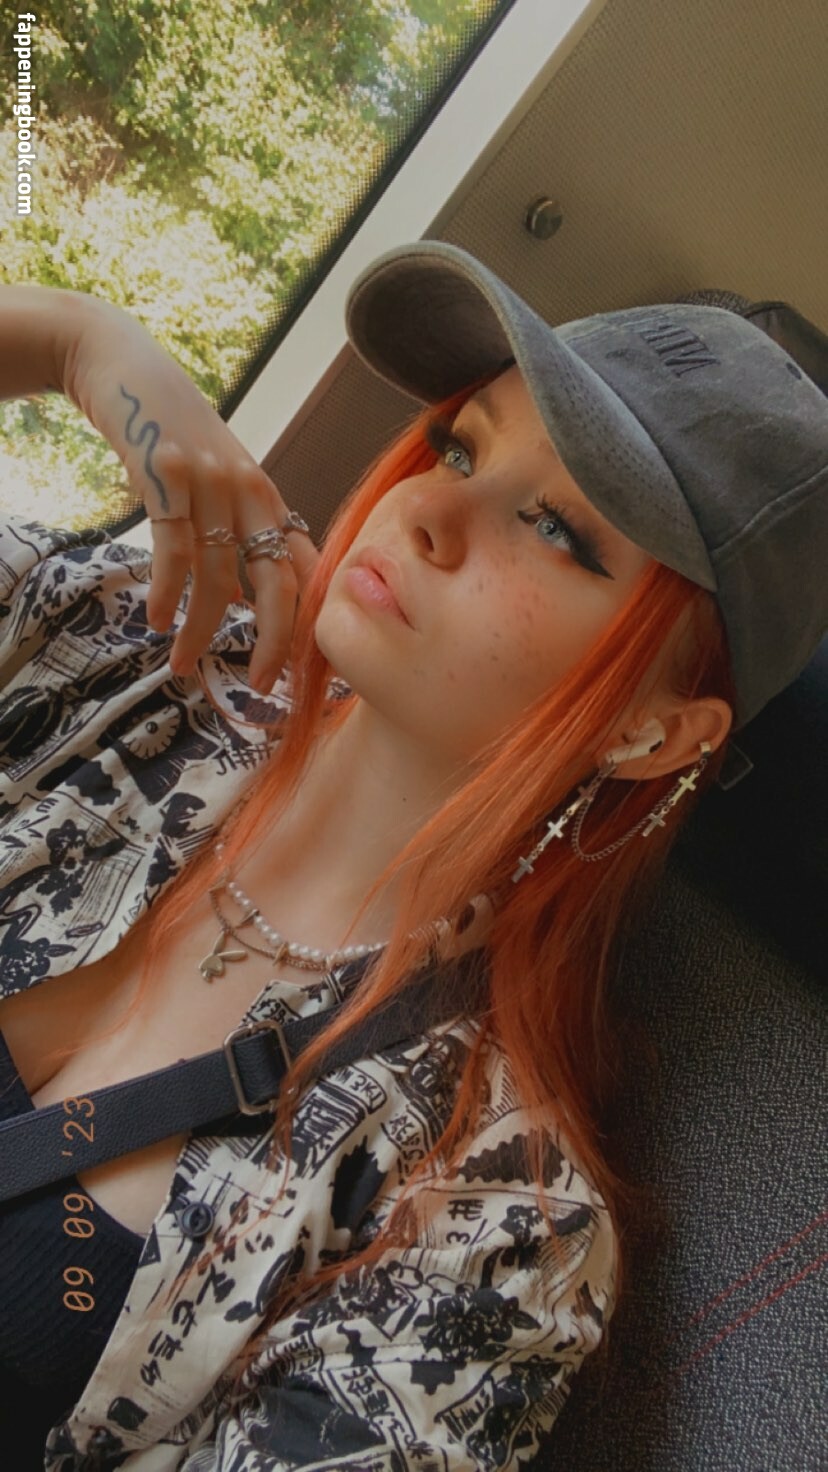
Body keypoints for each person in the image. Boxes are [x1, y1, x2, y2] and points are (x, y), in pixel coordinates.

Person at [0, 239, 825, 1471]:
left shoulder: (487, 1220)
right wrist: (73, 341)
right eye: (461, 446)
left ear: (655, 732)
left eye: (556, 528)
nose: (428, 511)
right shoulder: (127, 654)